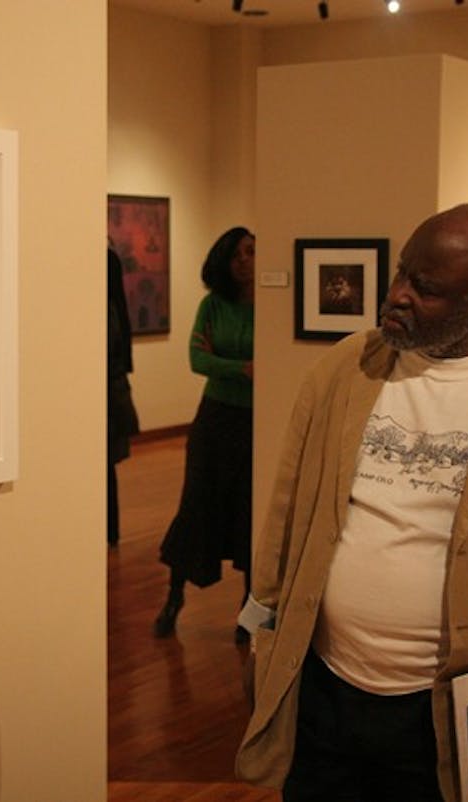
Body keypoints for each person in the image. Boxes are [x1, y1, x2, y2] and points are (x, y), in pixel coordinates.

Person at [235, 204, 468, 802]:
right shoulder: (343, 371)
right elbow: (289, 510)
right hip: (327, 690)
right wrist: (259, 634)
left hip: (453, 713)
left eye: (426, 288)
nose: (398, 296)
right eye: (401, 274)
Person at [154, 226, 256, 641]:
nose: (247, 261)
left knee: (251, 512)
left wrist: (227, 361)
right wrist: (243, 369)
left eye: (252, 252)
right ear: (224, 263)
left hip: (255, 421)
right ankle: (173, 599)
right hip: (215, 418)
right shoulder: (212, 306)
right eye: (238, 255)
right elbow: (197, 359)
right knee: (197, 503)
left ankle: (247, 615)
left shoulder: (273, 304)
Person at [108, 248, 140, 546]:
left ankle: (109, 531)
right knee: (105, 468)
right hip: (110, 386)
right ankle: (109, 531)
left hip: (108, 389)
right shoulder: (111, 310)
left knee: (104, 466)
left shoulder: (108, 312)